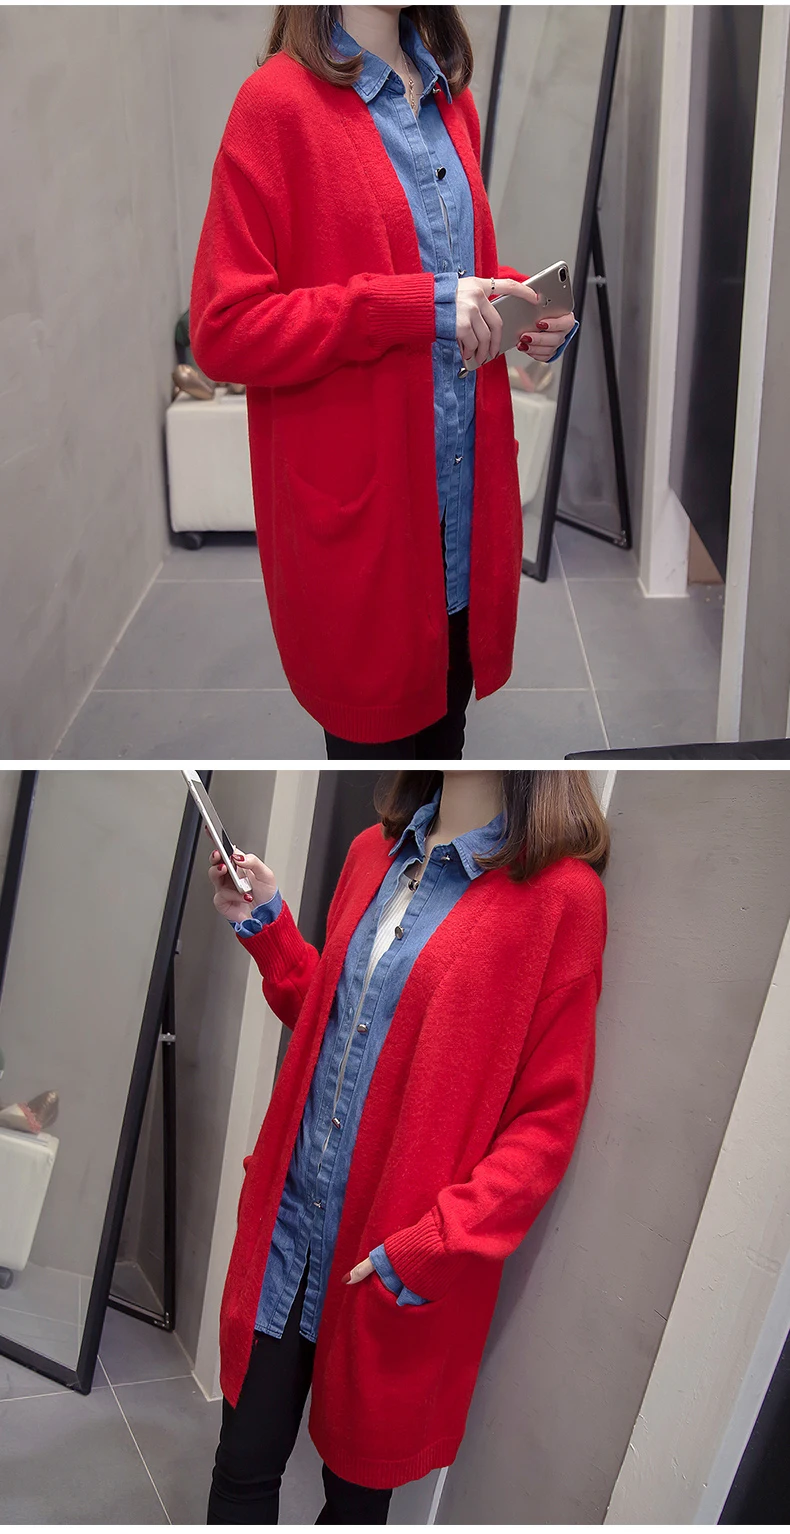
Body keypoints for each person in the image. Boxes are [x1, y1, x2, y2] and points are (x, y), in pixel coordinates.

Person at [205, 769, 607, 1523]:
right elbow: (336, 1025)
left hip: (387, 1259)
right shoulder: (372, 852)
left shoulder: (561, 898)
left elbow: (547, 1120)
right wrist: (269, 925)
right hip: (289, 1230)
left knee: (355, 1507)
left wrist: (434, 1245)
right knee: (241, 1470)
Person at [190, 8, 578, 760]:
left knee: (444, 744)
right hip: (367, 526)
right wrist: (406, 308)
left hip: (460, 509)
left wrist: (517, 308)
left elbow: (448, 271)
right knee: (382, 778)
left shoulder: (448, 96)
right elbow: (222, 327)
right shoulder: (274, 106)